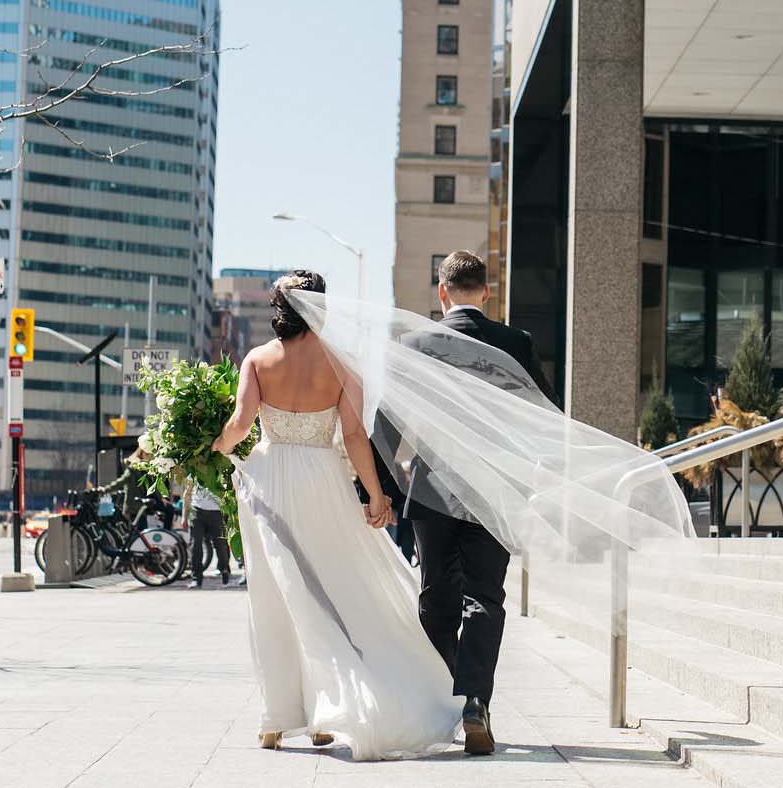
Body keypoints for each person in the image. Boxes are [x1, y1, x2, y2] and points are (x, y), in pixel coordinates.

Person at [208, 270, 463, 760]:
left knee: (275, 596)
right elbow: (352, 436)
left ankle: (278, 719)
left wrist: (214, 449)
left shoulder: (258, 360)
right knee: (327, 594)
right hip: (322, 480)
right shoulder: (343, 365)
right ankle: (326, 713)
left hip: (268, 481)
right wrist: (375, 496)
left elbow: (240, 424)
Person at [391, 250, 551, 757]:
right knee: (485, 597)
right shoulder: (514, 343)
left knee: (436, 595)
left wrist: (388, 486)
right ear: (486, 292)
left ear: (442, 293)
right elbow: (544, 414)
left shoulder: (415, 343)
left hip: (434, 489)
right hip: (493, 489)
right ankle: (475, 702)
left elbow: (387, 418)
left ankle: (440, 705)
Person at [187, 479, 232, 588]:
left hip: (216, 512)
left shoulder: (219, 468)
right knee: (195, 544)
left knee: (220, 545)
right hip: (196, 510)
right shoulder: (193, 467)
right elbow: (187, 492)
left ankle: (224, 570)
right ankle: (196, 578)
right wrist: (184, 516)